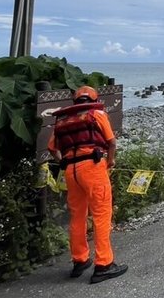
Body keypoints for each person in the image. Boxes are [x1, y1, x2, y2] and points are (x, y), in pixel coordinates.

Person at [48, 86, 128, 284]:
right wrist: (110, 161)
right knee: (101, 214)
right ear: (93, 98)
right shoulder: (96, 114)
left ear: (75, 101)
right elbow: (111, 142)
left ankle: (80, 260)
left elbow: (52, 148)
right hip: (92, 167)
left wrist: (63, 161)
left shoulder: (63, 120)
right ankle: (104, 265)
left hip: (71, 170)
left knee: (77, 216)